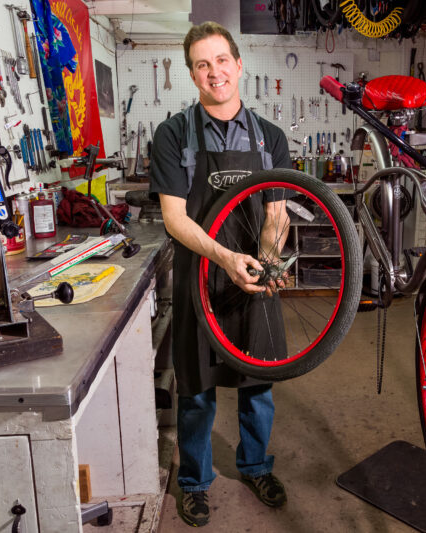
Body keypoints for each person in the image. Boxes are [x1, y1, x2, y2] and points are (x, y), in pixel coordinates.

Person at [149, 21, 292, 528]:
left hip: (256, 279)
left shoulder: (271, 138)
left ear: (239, 64)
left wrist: (266, 261)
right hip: (201, 280)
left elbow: (276, 214)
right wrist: (226, 259)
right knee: (196, 391)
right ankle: (194, 481)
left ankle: (256, 467)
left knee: (258, 386)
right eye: (203, 65)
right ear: (192, 74)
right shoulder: (172, 136)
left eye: (222, 60)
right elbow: (174, 218)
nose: (215, 73)